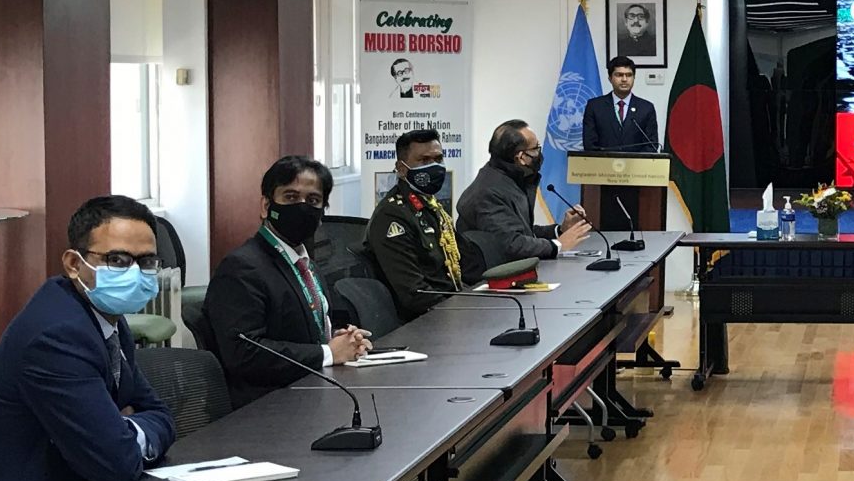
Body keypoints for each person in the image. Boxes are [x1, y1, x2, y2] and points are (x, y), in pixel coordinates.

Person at [0, 196, 177, 481]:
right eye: (117, 260)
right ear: (74, 264)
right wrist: (121, 435)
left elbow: (160, 415)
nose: (134, 273)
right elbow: (117, 464)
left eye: (146, 262)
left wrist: (122, 432)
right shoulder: (56, 336)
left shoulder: (107, 319)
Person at [208, 156, 374, 408]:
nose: (302, 207)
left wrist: (341, 339)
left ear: (321, 213)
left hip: (315, 390)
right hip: (269, 406)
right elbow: (243, 353)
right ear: (266, 206)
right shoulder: (242, 268)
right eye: (290, 197)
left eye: (313, 200)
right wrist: (328, 353)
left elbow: (302, 330)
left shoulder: (305, 263)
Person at [368, 130, 472, 322]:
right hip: (424, 321)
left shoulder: (431, 207)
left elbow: (460, 265)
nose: (434, 166)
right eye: (424, 160)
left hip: (450, 307)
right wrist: (461, 312)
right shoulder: (392, 216)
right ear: (402, 168)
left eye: (438, 159)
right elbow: (415, 293)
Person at [461, 119, 591, 263]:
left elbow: (523, 231)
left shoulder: (509, 179)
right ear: (521, 157)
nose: (539, 153)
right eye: (535, 149)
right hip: (491, 273)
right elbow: (511, 244)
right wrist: (557, 245)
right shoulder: (489, 193)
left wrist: (559, 230)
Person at [583, 56, 660, 154]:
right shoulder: (595, 106)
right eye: (619, 75)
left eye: (629, 75)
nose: (624, 79)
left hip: (636, 163)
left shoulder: (646, 108)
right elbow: (589, 145)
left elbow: (651, 145)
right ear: (610, 78)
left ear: (634, 78)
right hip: (603, 163)